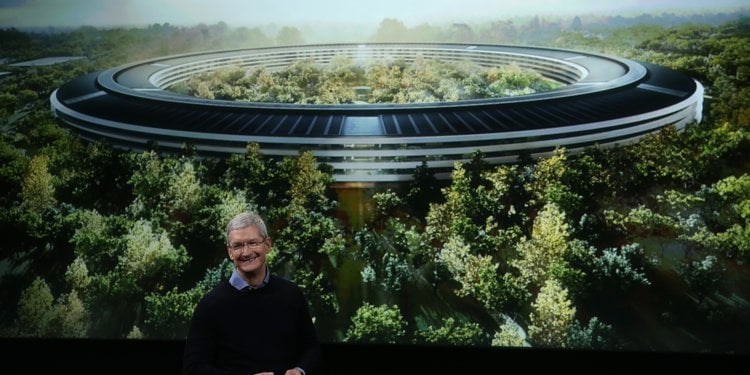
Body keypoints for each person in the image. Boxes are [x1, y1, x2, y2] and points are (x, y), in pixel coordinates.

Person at [183, 211, 321, 375]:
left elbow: (312, 348)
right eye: (238, 245)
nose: (246, 252)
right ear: (230, 252)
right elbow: (194, 368)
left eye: (253, 243)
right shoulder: (211, 305)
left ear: (267, 245)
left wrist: (300, 370)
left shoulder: (291, 293)